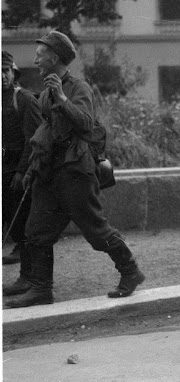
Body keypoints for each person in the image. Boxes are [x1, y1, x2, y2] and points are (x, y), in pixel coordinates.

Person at [6, 31, 146, 308]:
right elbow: (45, 134)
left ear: (54, 58)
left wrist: (62, 98)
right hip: (50, 171)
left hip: (75, 171)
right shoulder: (45, 93)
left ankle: (131, 272)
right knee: (36, 231)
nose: (36, 58)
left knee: (96, 231)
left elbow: (85, 124)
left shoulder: (79, 88)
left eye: (41, 53)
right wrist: (33, 170)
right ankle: (41, 288)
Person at [2, 51, 42, 296]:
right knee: (13, 227)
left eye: (5, 71)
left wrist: (21, 172)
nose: (1, 77)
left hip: (17, 172)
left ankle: (28, 279)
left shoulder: (23, 99)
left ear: (13, 73)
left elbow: (33, 139)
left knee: (23, 227)